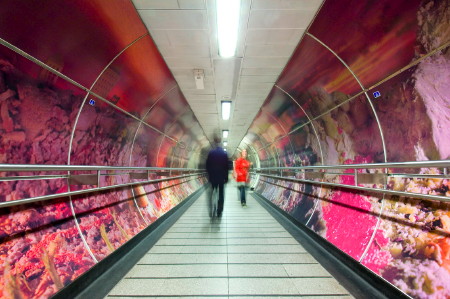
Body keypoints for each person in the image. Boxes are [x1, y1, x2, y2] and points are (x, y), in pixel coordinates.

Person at [205, 136, 229, 217]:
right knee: (221, 194)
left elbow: (207, 165)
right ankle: (219, 210)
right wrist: (226, 178)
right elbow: (226, 167)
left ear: (214, 143)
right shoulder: (224, 153)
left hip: (212, 177)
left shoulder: (211, 153)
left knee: (211, 193)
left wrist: (209, 175)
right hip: (221, 178)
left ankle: (211, 209)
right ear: (220, 143)